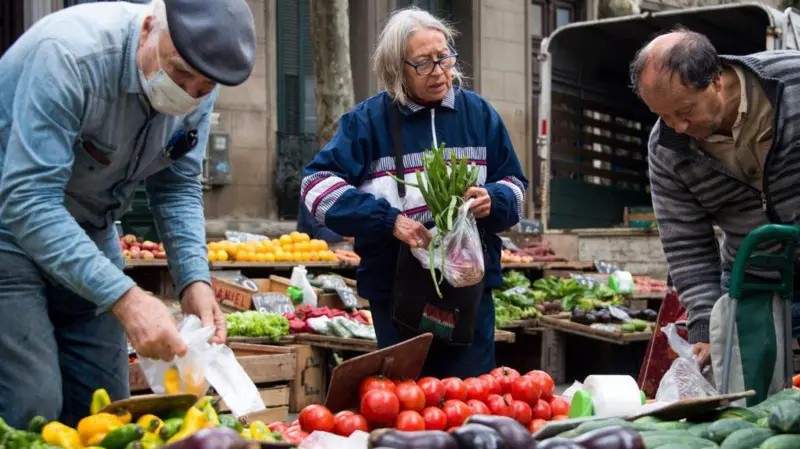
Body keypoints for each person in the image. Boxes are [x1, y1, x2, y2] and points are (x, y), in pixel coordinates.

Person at [0, 0, 256, 427]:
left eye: (204, 87)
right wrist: (124, 295)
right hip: (9, 230)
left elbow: (176, 185)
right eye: (179, 73)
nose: (188, 93)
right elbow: (29, 200)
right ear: (148, 29)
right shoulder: (69, 57)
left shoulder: (200, 87)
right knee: (33, 403)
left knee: (106, 405)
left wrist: (193, 278)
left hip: (91, 231)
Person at [301, 7, 528, 378]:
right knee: (406, 399)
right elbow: (316, 186)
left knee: (471, 398)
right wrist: (389, 221)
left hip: (467, 291)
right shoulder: (367, 122)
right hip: (396, 291)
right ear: (397, 69)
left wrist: (494, 199)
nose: (439, 71)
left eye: (444, 57)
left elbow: (516, 186)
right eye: (423, 63)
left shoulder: (479, 115)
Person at [629, 29, 800, 367]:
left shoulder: (792, 85)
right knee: (755, 393)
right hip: (755, 279)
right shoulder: (666, 149)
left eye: (684, 110)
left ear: (716, 81)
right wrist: (705, 326)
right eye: (663, 116)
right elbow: (686, 243)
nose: (677, 127)